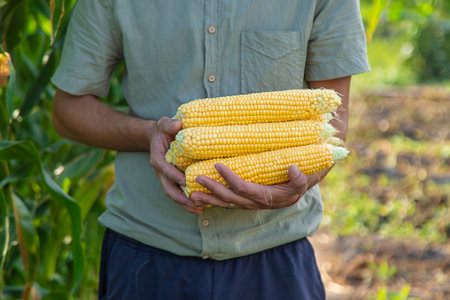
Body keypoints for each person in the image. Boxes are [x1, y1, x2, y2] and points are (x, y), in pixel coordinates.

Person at [51, 0, 370, 299]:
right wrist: (149, 134)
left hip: (275, 252)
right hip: (147, 251)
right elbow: (69, 111)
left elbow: (332, 125)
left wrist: (303, 180)